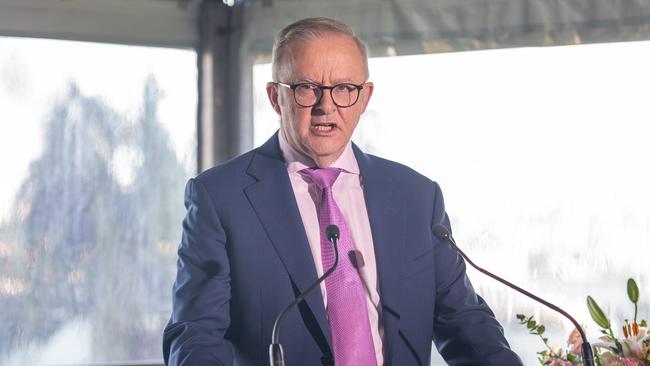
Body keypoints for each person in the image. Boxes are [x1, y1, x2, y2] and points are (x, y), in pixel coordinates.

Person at [163, 17, 523, 366]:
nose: (326, 105)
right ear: (275, 98)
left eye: (344, 89)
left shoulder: (416, 196)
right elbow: (196, 333)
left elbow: (463, 321)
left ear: (364, 97)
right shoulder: (220, 197)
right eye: (306, 88)